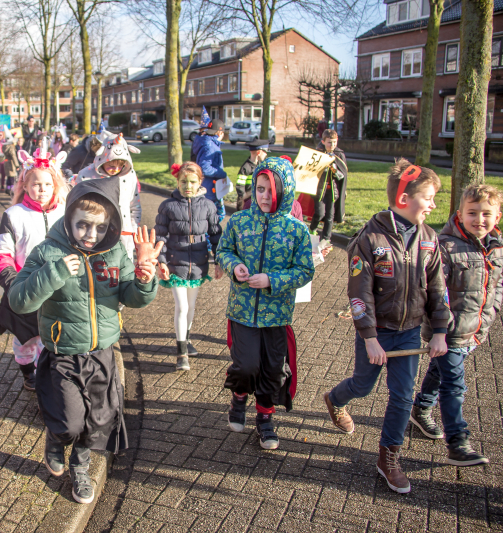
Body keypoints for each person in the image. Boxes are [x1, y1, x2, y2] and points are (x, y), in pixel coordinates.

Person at [8, 178, 159, 505]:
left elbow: (132, 297)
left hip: (102, 353)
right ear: (68, 217)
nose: (91, 234)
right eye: (83, 225)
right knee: (69, 422)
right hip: (62, 354)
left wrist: (145, 279)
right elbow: (19, 301)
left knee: (98, 422)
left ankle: (80, 467)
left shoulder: (115, 251)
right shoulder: (48, 251)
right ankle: (56, 437)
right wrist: (54, 273)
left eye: (100, 227)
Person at [323, 159, 450, 494]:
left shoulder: (429, 239)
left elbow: (438, 288)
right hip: (377, 333)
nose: (433, 205)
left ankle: (388, 457)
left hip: (409, 332)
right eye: (428, 198)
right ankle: (335, 398)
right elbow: (359, 292)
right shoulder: (369, 238)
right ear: (405, 199)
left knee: (403, 395)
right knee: (363, 385)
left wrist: (439, 331)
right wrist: (369, 337)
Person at [216, 157, 314, 450]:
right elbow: (224, 250)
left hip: (277, 315)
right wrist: (234, 266)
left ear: (286, 191)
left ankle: (265, 416)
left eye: (272, 190)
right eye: (260, 189)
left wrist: (272, 279)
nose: (265, 196)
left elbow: (305, 271)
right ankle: (239, 397)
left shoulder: (297, 230)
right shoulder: (239, 221)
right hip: (243, 311)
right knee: (246, 365)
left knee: (272, 370)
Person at [409, 184, 502, 466]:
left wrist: (492, 311)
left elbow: (497, 285)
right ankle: (458, 442)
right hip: (448, 332)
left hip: (475, 329)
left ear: (497, 217)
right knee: (454, 385)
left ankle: (420, 409)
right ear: (459, 214)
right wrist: (440, 330)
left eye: (486, 214)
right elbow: (435, 292)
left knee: (439, 372)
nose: (479, 219)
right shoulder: (446, 247)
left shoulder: (496, 248)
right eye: (472, 213)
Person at [0, 145, 69, 391]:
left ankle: (48, 376)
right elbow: (2, 253)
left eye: (47, 184)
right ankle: (28, 371)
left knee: (52, 337)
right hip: (25, 286)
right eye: (36, 184)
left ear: (55, 185)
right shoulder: (14, 215)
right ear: (25, 185)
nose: (42, 189)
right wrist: (13, 283)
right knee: (26, 338)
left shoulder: (66, 212)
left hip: (58, 285)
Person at [155, 162, 223, 371]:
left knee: (191, 306)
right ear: (177, 181)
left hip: (199, 263)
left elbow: (215, 235)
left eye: (193, 182)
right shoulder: (167, 206)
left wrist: (218, 260)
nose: (188, 186)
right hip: (175, 262)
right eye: (183, 181)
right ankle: (181, 352)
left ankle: (187, 338)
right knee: (182, 307)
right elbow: (160, 236)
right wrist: (161, 261)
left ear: (200, 182)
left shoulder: (209, 206)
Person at [75, 133, 142, 259]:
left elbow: (134, 205)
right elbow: (76, 205)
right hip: (94, 235)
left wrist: (133, 227)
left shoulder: (129, 176)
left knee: (123, 266)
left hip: (124, 234)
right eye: (111, 165)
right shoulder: (86, 176)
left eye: (120, 165)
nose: (115, 169)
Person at [310, 129, 348, 242]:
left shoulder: (339, 155)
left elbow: (343, 175)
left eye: (334, 142)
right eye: (329, 142)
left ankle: (326, 239)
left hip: (332, 191)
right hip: (319, 190)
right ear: (323, 141)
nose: (332, 145)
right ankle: (312, 229)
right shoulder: (318, 153)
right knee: (319, 213)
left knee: (329, 217)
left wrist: (335, 170)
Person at [193, 119, 228, 222]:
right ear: (220, 133)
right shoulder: (210, 146)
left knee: (211, 217)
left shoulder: (209, 143)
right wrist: (222, 174)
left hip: (210, 188)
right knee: (214, 217)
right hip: (209, 189)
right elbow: (205, 168)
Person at [235, 139, 269, 211]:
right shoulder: (246, 167)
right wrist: (243, 201)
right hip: (247, 202)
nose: (266, 154)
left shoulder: (260, 166)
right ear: (259, 152)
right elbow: (240, 186)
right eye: (265, 152)